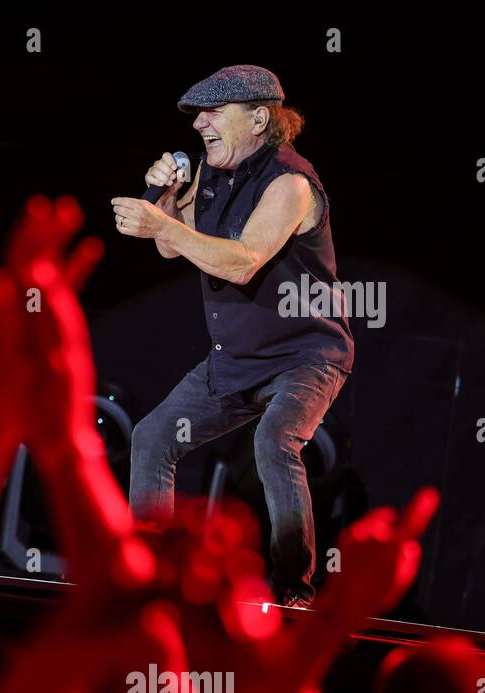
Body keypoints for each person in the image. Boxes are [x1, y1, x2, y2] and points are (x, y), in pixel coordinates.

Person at [111, 65, 354, 606]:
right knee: (152, 438)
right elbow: (176, 247)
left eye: (213, 113)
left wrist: (162, 224)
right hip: (238, 357)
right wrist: (170, 201)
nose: (200, 124)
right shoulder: (215, 173)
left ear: (259, 118)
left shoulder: (290, 183)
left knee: (274, 442)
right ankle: (150, 576)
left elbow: (243, 262)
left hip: (305, 355)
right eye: (198, 115)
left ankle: (295, 590)